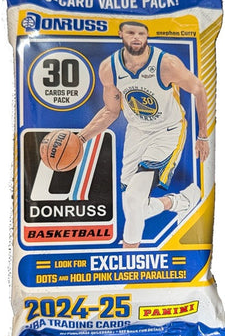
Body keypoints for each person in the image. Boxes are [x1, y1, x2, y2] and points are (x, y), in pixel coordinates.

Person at [78, 21, 209, 248]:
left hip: (167, 131)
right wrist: (81, 138)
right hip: (136, 132)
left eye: (141, 33)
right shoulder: (110, 69)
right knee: (133, 207)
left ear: (147, 37)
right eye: (131, 33)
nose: (136, 37)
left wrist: (203, 135)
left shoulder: (166, 64)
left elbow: (199, 89)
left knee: (133, 199)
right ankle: (178, 202)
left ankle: (129, 255)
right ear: (121, 35)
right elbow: (111, 111)